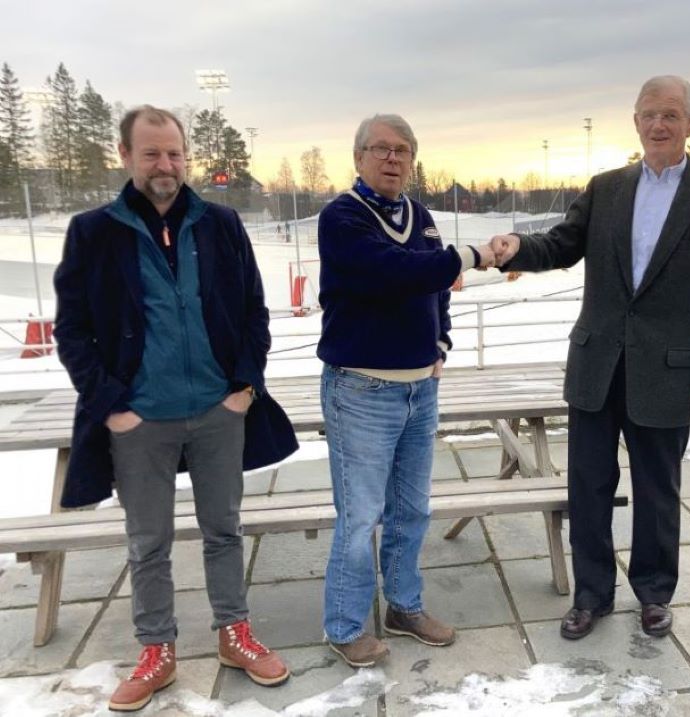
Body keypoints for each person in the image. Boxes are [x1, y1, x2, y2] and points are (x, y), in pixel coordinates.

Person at [53, 105, 299, 712]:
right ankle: (156, 648)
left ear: (187, 156)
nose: (165, 165)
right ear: (126, 155)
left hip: (218, 411)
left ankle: (232, 632)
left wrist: (244, 385)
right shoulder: (94, 231)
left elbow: (252, 311)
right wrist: (111, 406)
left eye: (174, 153)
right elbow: (73, 328)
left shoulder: (219, 223)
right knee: (148, 541)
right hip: (141, 419)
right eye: (151, 153)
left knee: (224, 529)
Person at [489, 76, 690, 640]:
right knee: (588, 484)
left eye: (671, 115)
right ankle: (591, 595)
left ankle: (654, 594)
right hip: (596, 366)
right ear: (635, 122)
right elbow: (560, 244)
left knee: (659, 491)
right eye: (649, 114)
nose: (659, 125)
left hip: (669, 371)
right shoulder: (605, 188)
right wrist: (517, 248)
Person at [317, 113, 495, 668]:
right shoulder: (342, 216)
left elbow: (434, 286)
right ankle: (345, 625)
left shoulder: (420, 215)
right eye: (380, 149)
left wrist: (439, 342)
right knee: (360, 516)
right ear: (359, 158)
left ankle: (404, 605)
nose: (392, 158)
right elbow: (392, 271)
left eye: (402, 150)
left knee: (411, 509)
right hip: (362, 389)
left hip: (421, 389)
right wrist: (470, 256)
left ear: (412, 160)